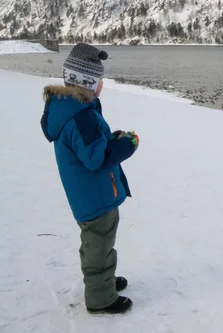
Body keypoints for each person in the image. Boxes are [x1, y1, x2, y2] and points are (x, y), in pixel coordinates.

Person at [40, 43, 139, 314]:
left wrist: (112, 139)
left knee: (97, 243)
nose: (102, 85)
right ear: (87, 82)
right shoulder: (83, 116)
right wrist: (127, 145)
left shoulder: (69, 108)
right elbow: (97, 159)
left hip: (87, 194)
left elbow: (91, 147)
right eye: (99, 80)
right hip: (95, 195)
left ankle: (102, 282)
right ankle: (100, 298)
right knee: (99, 246)